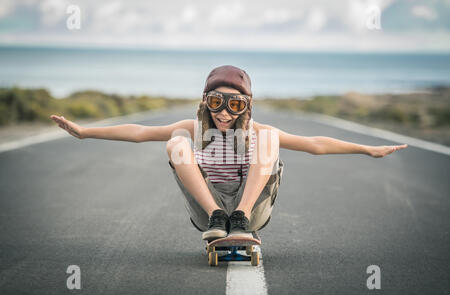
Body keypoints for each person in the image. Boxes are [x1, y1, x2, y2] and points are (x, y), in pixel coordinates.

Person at [50, 65, 408, 242]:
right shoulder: (196, 127)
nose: (224, 112)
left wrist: (366, 149)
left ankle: (238, 217)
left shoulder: (254, 130)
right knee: (174, 141)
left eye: (234, 103)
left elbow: (315, 144)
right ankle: (219, 217)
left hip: (251, 209)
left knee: (269, 140)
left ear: (245, 106)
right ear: (206, 102)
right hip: (207, 212)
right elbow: (139, 132)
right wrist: (85, 133)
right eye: (216, 102)